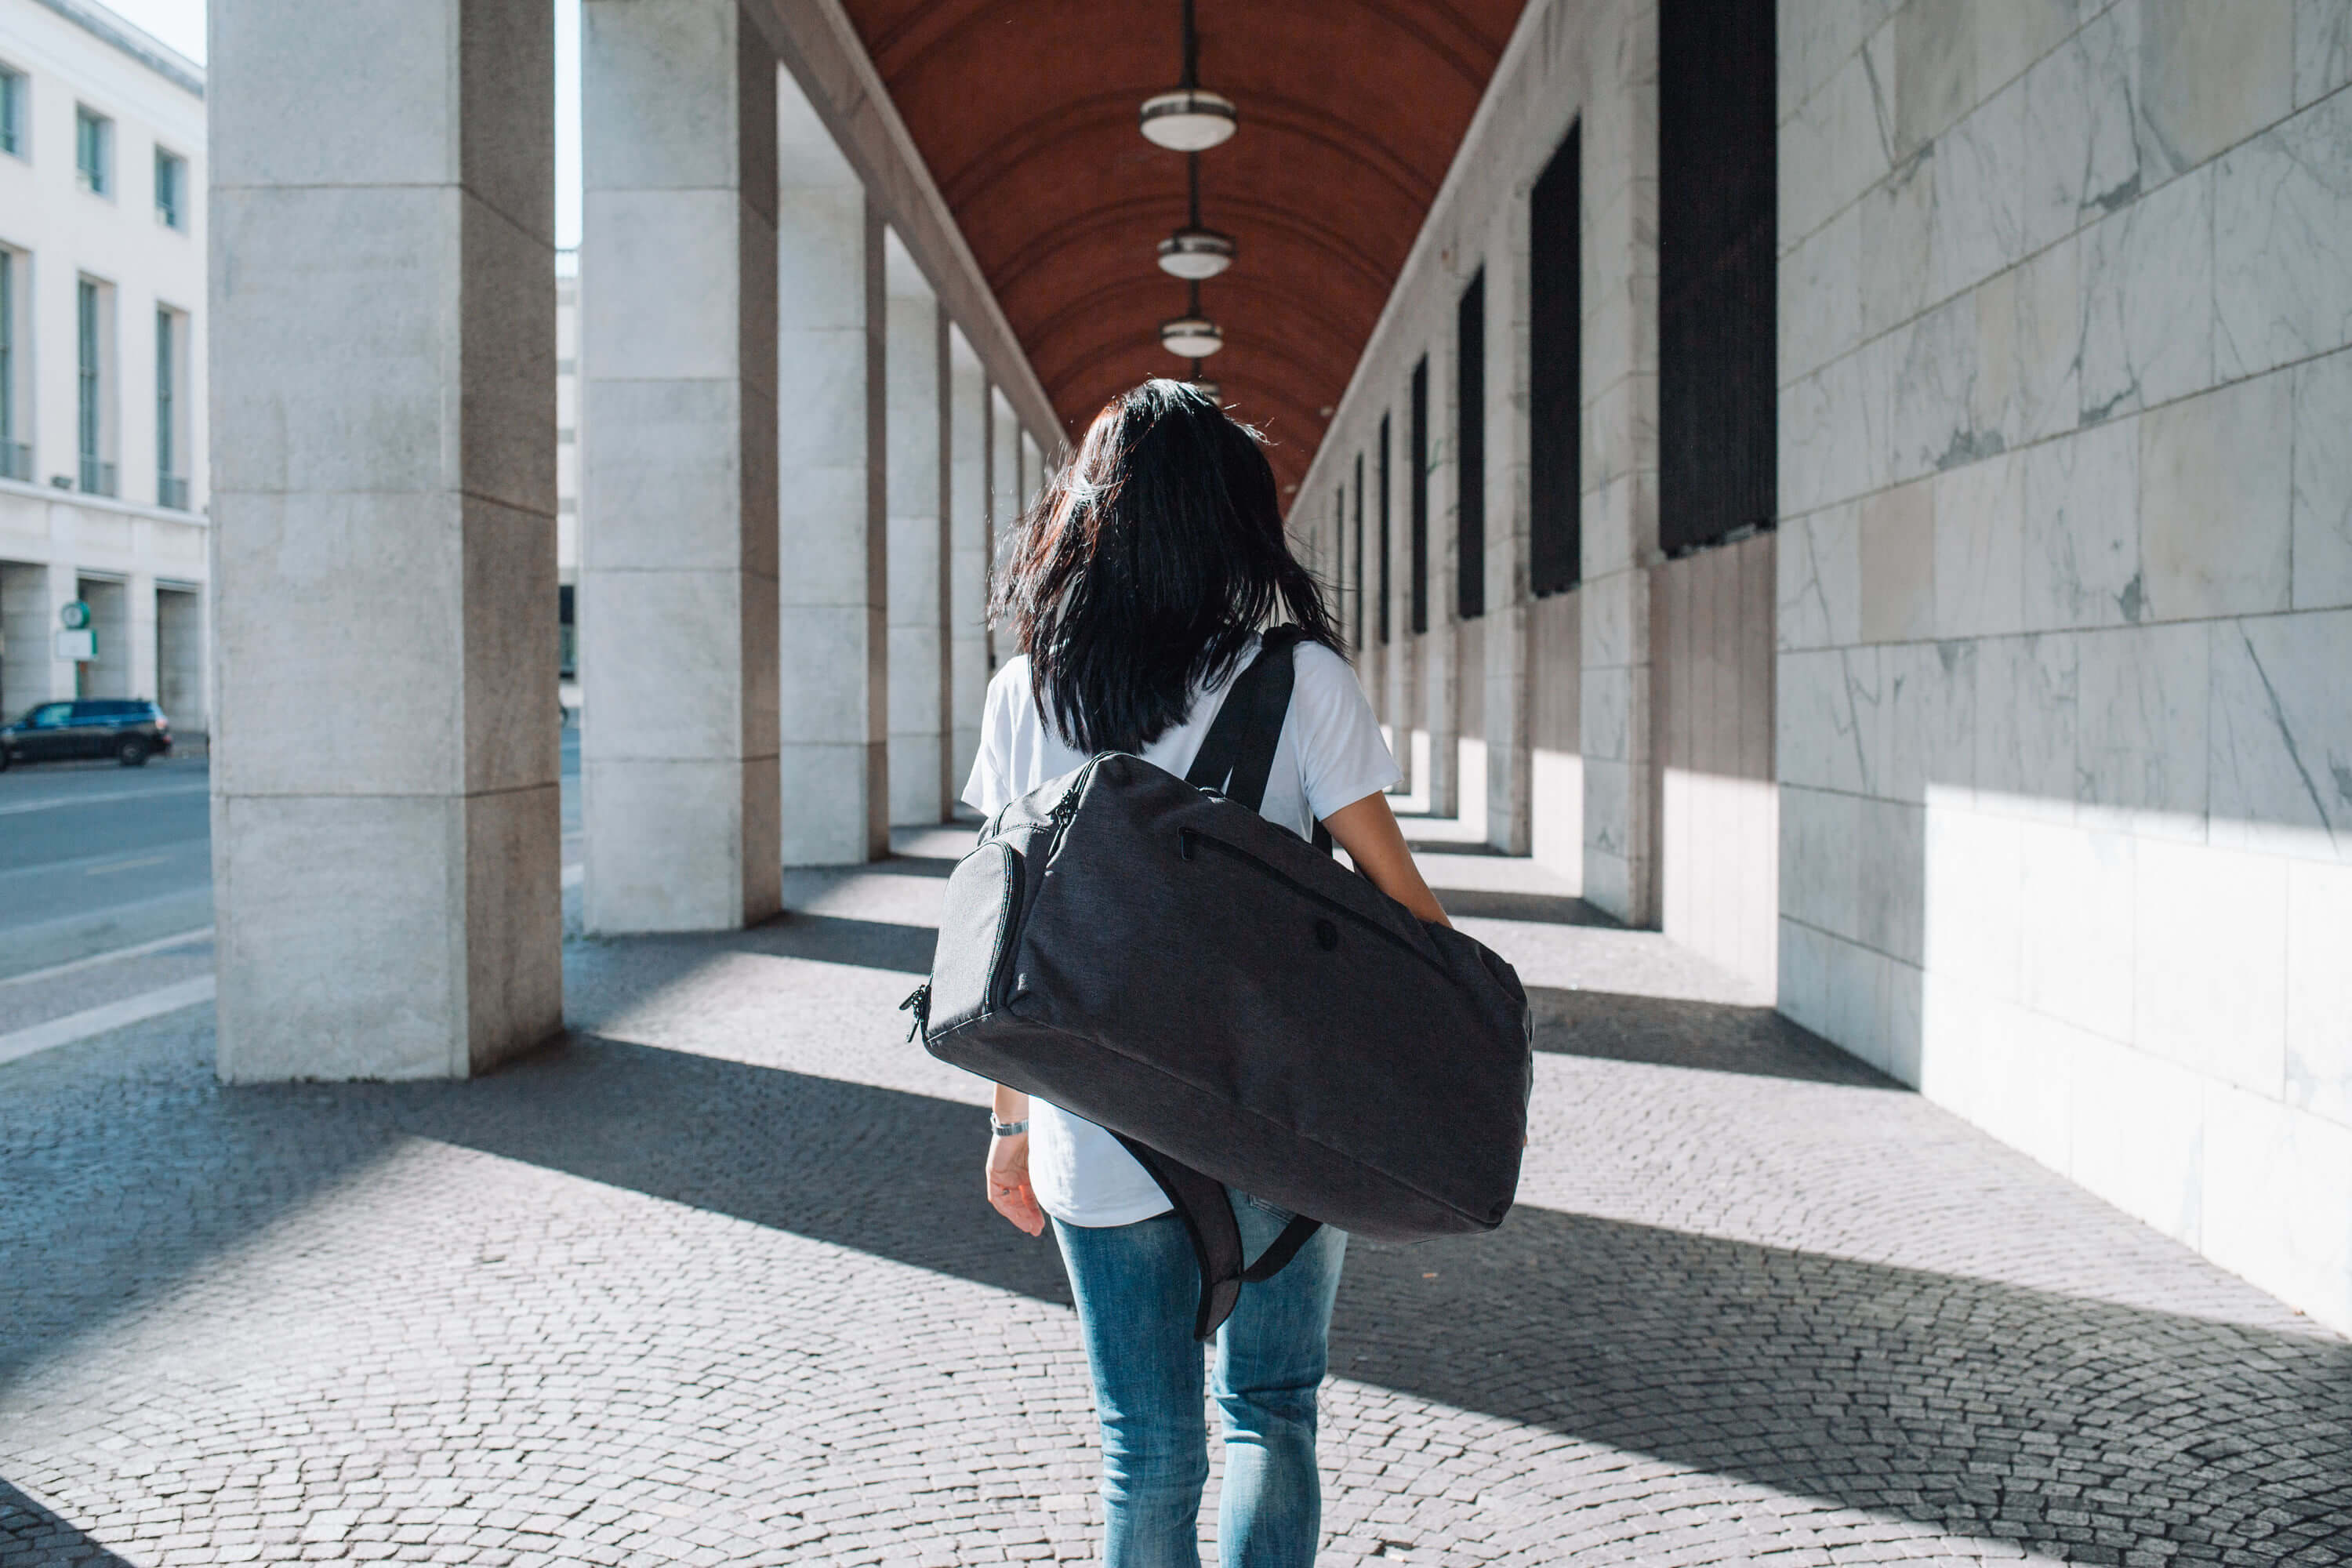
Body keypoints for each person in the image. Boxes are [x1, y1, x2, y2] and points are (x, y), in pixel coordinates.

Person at [960, 379, 1450, 1567]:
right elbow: (1403, 910)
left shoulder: (1028, 690)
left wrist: (1011, 1125)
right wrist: (1463, 1051)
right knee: (1272, 1413)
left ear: (1089, 515)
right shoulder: (1302, 681)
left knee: (1145, 1445)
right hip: (1276, 1114)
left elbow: (1003, 942)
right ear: (1233, 521)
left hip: (1095, 1122)